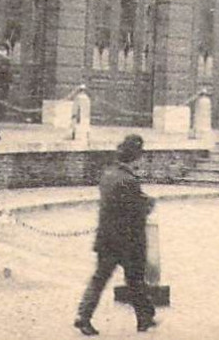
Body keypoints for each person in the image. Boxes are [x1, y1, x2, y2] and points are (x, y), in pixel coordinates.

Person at [74, 134, 158, 336]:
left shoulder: (108, 174)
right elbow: (136, 210)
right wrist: (149, 204)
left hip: (106, 238)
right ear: (135, 156)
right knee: (135, 279)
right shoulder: (130, 180)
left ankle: (84, 316)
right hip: (128, 240)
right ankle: (144, 318)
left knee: (100, 279)